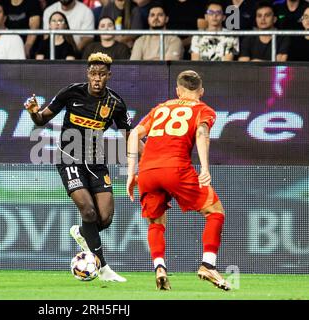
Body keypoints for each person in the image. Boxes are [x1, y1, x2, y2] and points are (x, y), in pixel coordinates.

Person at [24, 52, 132, 282]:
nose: (97, 78)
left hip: (96, 162)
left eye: (102, 74)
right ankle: (102, 268)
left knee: (105, 218)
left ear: (108, 76)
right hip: (68, 158)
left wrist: (152, 154)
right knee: (89, 212)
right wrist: (34, 111)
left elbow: (130, 136)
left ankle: (82, 233)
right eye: (93, 73)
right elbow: (42, 120)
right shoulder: (71, 92)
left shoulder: (115, 104)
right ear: (88, 74)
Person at [126, 70, 231, 291]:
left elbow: (134, 134)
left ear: (177, 90)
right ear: (201, 91)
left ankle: (160, 267)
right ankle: (208, 265)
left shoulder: (160, 108)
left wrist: (131, 173)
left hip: (147, 172)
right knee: (215, 211)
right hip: (176, 169)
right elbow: (202, 133)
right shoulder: (204, 109)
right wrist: (204, 167)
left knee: (156, 222)